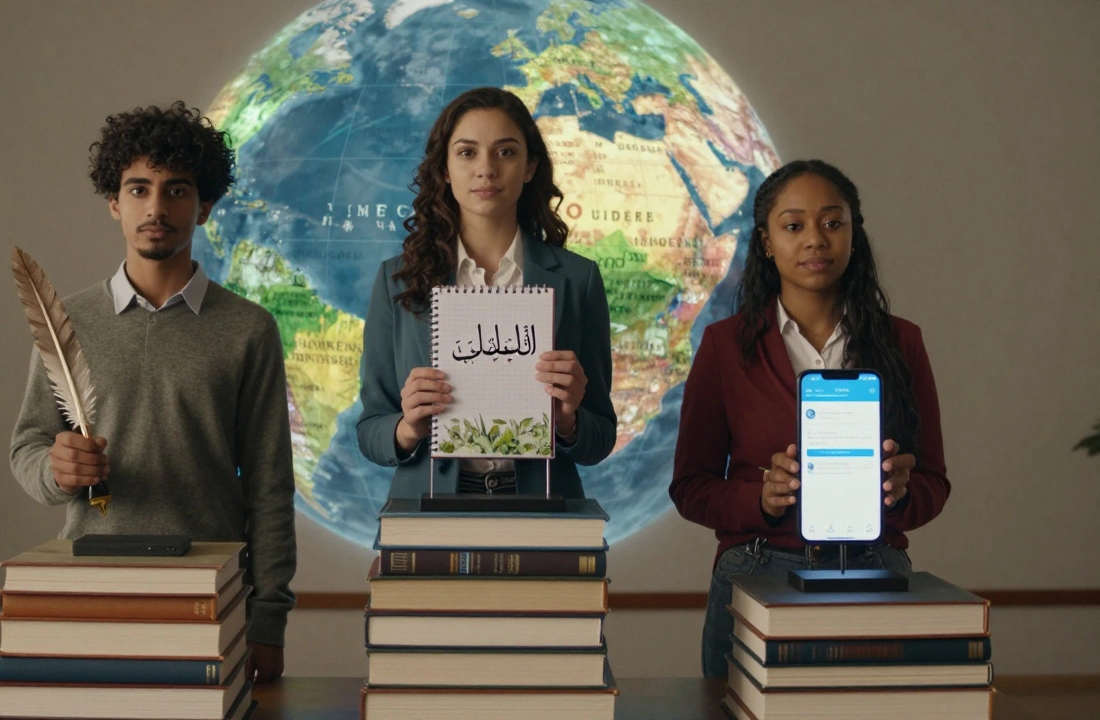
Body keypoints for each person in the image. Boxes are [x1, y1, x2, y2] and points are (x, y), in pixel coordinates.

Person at [10, 102, 296, 683]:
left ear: (205, 206)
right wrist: (57, 469)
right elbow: (28, 447)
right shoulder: (68, 322)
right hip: (92, 585)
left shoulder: (249, 329)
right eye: (138, 189)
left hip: (211, 590)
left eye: (176, 190)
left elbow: (269, 487)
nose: (156, 208)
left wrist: (267, 621)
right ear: (114, 203)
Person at [669, 159, 950, 678]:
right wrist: (760, 498)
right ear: (767, 242)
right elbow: (690, 488)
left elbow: (935, 482)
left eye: (833, 223)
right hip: (758, 569)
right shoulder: (725, 346)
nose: (816, 240)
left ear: (853, 235)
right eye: (794, 226)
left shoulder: (902, 342)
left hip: (875, 566)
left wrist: (903, 491)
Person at [357, 87, 617, 498]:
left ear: (530, 166)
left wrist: (567, 421)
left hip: (544, 511)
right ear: (443, 168)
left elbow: (600, 438)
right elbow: (370, 430)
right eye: (466, 153)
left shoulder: (578, 280)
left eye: (506, 152)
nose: (486, 170)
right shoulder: (397, 281)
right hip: (427, 512)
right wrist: (407, 428)